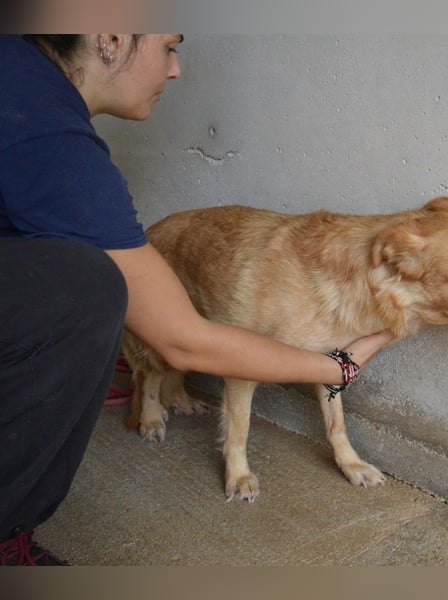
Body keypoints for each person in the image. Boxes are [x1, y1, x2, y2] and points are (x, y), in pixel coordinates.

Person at [0, 34, 395, 566]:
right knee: (90, 288)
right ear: (111, 38)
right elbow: (183, 341)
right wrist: (339, 367)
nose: (177, 69)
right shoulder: (51, 138)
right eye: (169, 47)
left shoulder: (20, 80)